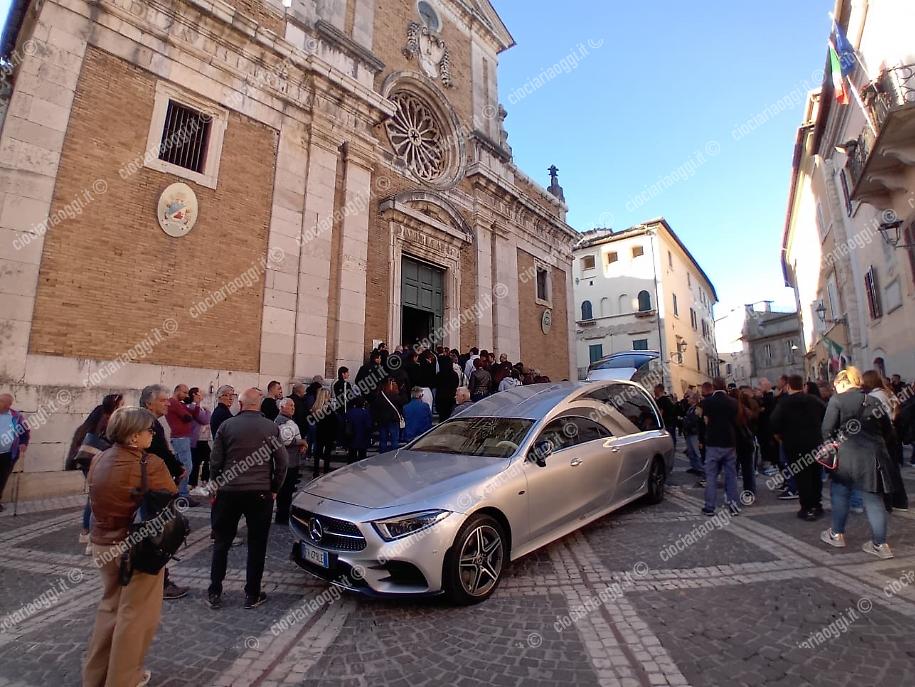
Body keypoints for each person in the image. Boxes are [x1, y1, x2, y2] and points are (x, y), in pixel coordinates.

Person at [83, 406, 175, 687]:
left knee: (110, 609)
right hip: (137, 548)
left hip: (102, 543)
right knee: (136, 616)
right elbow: (169, 497)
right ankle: (123, 679)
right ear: (134, 436)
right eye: (149, 430)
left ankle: (95, 677)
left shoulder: (98, 458)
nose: (152, 434)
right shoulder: (150, 464)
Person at [208, 388, 288, 609]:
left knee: (221, 542)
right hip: (259, 492)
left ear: (240, 405)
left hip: (229, 490)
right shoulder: (271, 427)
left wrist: (215, 483)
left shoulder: (226, 426)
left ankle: (214, 590)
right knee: (257, 544)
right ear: (259, 405)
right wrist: (274, 487)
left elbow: (215, 461)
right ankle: (252, 593)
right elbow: (282, 462)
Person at [820, 367, 897, 558]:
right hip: (873, 457)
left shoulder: (837, 400)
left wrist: (831, 444)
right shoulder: (874, 400)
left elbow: (826, 430)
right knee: (873, 500)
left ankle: (837, 534)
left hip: (846, 457)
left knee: (839, 494)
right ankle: (881, 545)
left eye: (836, 385)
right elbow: (888, 430)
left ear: (844, 383)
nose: (835, 389)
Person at [139, 384, 188, 600]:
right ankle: (159, 581)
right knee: (158, 533)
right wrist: (178, 468)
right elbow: (159, 452)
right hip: (154, 487)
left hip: (153, 484)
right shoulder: (147, 423)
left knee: (155, 531)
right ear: (149, 403)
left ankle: (155, 579)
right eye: (163, 400)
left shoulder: (150, 422)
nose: (168, 403)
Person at [69, 393, 123, 547]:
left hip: (89, 461)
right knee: (97, 499)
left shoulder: (98, 415)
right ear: (115, 405)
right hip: (98, 462)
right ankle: (91, 536)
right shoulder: (108, 422)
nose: (124, 406)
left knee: (94, 498)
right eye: (121, 403)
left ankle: (86, 532)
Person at [770, 375, 826, 520]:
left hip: (794, 444)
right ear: (802, 386)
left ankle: (806, 508)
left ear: (788, 386)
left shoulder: (784, 403)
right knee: (815, 475)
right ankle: (817, 505)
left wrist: (780, 436)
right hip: (815, 443)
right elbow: (826, 417)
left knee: (802, 476)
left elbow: (774, 423)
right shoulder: (815, 401)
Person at [862, 370, 908, 511]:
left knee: (883, 470)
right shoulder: (888, 393)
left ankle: (888, 501)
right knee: (893, 468)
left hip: (881, 435)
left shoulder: (872, 397)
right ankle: (900, 501)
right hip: (892, 433)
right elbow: (896, 412)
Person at [699, 377, 741, 516]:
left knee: (711, 475)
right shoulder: (733, 402)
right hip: (729, 441)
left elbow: (706, 421)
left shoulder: (707, 402)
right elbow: (735, 420)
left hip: (713, 441)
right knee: (731, 475)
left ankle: (710, 507)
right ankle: (733, 505)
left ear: (713, 386)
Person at [165, 384, 202, 498]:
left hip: (183, 438)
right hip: (180, 438)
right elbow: (188, 417)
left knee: (180, 466)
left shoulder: (180, 404)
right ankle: (183, 494)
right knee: (187, 466)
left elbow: (194, 415)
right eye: (185, 392)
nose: (187, 395)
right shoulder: (174, 402)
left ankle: (177, 491)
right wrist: (189, 412)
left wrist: (196, 403)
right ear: (177, 391)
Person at [275, 398, 306, 525]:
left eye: (293, 405)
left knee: (288, 491)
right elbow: (286, 440)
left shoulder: (289, 420)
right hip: (287, 461)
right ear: (282, 407)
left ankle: (284, 514)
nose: (293, 408)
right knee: (285, 491)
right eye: (290, 406)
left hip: (292, 460)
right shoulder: (281, 421)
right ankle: (281, 516)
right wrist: (302, 442)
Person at [0, 393, 30, 513]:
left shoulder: (16, 416)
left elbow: (24, 432)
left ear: (9, 405)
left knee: (2, 478)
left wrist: (23, 443)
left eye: (2, 401)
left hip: (8, 454)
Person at [735, 388, 760, 498]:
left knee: (734, 468)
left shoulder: (737, 409)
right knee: (748, 469)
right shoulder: (748, 409)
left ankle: (732, 493)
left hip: (737, 441)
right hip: (747, 440)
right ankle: (750, 492)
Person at [185, 387, 211, 490]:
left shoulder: (198, 407)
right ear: (195, 394)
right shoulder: (192, 407)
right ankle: (195, 483)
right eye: (200, 392)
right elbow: (205, 419)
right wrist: (208, 411)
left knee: (203, 460)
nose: (203, 394)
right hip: (197, 439)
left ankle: (200, 481)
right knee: (197, 461)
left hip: (202, 439)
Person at [311, 387, 337, 477]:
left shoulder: (315, 408)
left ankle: (316, 471)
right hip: (328, 433)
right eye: (329, 395)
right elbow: (334, 421)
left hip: (319, 432)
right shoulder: (328, 409)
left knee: (318, 452)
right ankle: (325, 471)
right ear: (326, 396)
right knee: (327, 453)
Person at [372, 378, 403, 454]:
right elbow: (401, 405)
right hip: (393, 419)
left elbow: (375, 409)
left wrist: (375, 419)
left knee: (383, 440)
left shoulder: (379, 397)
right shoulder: (395, 396)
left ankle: (382, 455)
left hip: (382, 420)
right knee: (394, 440)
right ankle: (395, 455)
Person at [682, 392, 704, 476]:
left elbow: (696, 420)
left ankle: (701, 469)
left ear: (694, 399)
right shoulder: (690, 408)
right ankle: (695, 467)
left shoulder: (697, 408)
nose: (688, 399)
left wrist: (687, 422)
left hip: (694, 432)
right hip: (689, 432)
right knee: (691, 452)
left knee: (696, 451)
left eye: (689, 398)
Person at [344, 397, 372, 462]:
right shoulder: (365, 413)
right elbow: (368, 426)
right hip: (363, 437)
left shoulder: (349, 412)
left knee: (352, 455)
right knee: (362, 456)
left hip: (351, 437)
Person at [653, 385, 680, 450]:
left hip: (666, 423)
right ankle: (672, 449)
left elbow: (660, 413)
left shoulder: (661, 400)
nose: (654, 391)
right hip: (671, 422)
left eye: (655, 390)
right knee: (672, 437)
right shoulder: (668, 399)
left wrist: (658, 423)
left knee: (668, 438)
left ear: (659, 390)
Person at [435, 353, 460, 420]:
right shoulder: (454, 375)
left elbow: (436, 385)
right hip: (451, 398)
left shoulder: (439, 375)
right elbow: (456, 384)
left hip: (441, 399)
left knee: (442, 417)